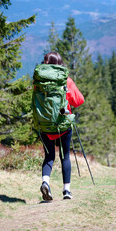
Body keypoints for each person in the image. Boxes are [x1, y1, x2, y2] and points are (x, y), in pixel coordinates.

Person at [34, 52, 84, 201]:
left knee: (49, 156)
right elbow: (79, 100)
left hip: (44, 125)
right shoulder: (65, 80)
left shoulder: (38, 81)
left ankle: (45, 182)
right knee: (65, 156)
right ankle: (66, 191)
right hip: (62, 125)